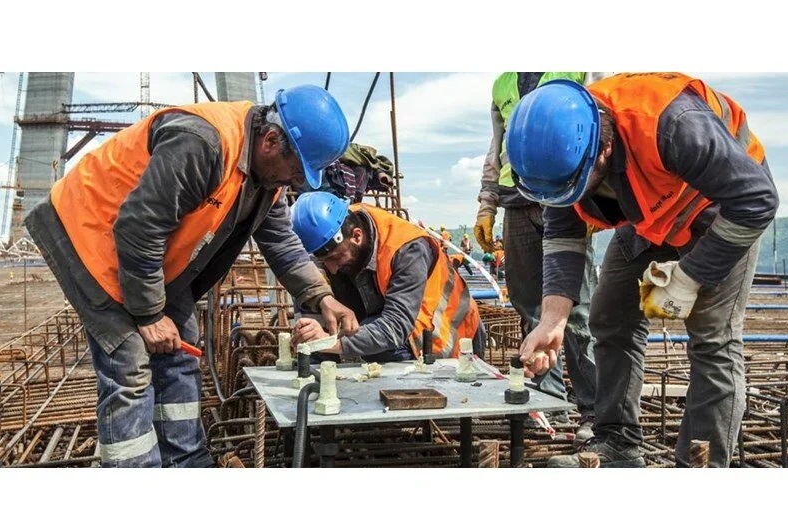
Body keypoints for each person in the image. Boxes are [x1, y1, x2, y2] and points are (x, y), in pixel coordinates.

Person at [25, 85, 359, 468]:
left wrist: (322, 296)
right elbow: (139, 226)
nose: (297, 183)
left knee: (182, 344)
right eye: (298, 171)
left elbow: (282, 242)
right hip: (90, 235)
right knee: (130, 363)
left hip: (149, 253)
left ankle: (186, 463)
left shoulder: (268, 178)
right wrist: (149, 315)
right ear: (270, 140)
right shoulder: (203, 143)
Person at [507, 73, 778, 467]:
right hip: (651, 212)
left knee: (713, 340)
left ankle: (700, 467)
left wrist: (690, 277)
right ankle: (616, 443)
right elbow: (564, 234)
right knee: (610, 315)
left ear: (602, 152)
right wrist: (553, 319)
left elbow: (757, 200)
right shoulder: (558, 154)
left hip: (724, 212)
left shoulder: (675, 124)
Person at [474, 72, 607, 440]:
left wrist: (593, 201)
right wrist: (487, 203)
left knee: (577, 312)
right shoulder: (501, 82)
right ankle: (550, 403)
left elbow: (602, 123)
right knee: (529, 307)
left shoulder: (579, 68)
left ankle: (595, 410)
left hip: (568, 193)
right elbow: (496, 146)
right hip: (516, 198)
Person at [290, 192, 485, 363]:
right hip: (386, 321)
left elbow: (395, 327)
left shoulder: (408, 249)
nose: (332, 269)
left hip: (444, 334)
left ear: (357, 236)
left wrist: (329, 343)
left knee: (382, 352)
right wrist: (310, 331)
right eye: (324, 261)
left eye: (336, 258)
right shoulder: (324, 237)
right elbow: (308, 300)